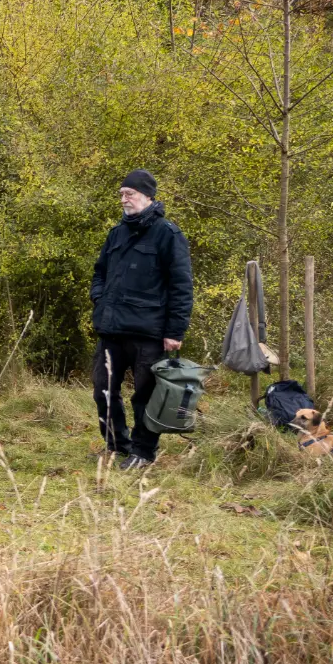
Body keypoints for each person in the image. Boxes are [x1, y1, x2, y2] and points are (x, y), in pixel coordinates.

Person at [90, 169, 194, 470]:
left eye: (130, 194)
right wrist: (99, 297)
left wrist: (175, 331)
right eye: (121, 194)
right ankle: (116, 446)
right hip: (111, 328)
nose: (124, 199)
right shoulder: (116, 233)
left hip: (149, 332)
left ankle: (143, 452)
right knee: (103, 391)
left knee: (145, 395)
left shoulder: (168, 235)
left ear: (148, 196)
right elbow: (100, 272)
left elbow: (181, 286)